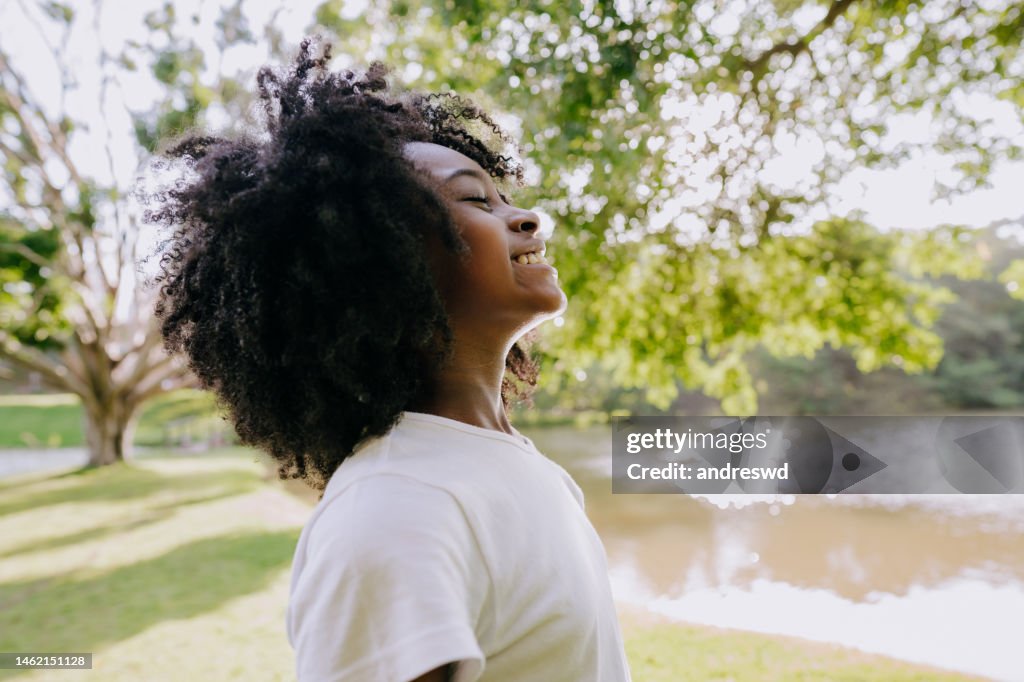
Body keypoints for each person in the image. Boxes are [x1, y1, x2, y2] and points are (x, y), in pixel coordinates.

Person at [149, 36, 631, 682]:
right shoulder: (395, 509)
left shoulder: (511, 468)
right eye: (476, 202)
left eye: (506, 197)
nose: (528, 220)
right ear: (386, 265)